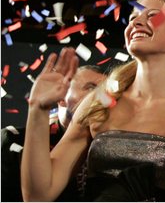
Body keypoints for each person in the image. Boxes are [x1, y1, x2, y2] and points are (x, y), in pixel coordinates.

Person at [20, 0, 165, 201]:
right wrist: (37, 108)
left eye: (153, 16)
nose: (136, 23)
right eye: (132, 17)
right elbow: (38, 194)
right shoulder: (100, 102)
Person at [1, 65, 106, 202]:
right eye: (91, 88)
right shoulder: (15, 141)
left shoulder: (112, 152)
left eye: (106, 92)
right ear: (61, 97)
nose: (99, 98)